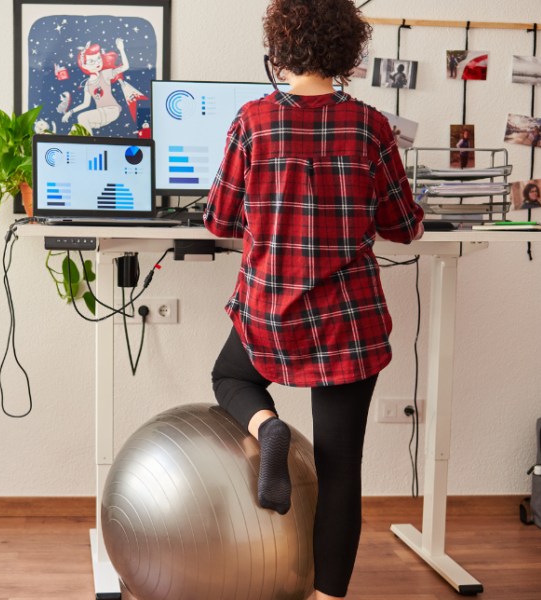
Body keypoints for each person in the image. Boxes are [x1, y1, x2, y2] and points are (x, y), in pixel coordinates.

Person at [203, 0, 424, 598]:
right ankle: (327, 597)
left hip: (269, 316)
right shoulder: (372, 127)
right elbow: (404, 226)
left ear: (280, 49)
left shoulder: (252, 122)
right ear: (348, 51)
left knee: (230, 377)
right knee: (340, 470)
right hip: (348, 324)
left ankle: (265, 424)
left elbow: (219, 221)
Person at [61, 39, 130, 131]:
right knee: (77, 128)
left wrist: (121, 49)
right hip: (101, 113)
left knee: (82, 117)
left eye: (98, 59)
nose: (97, 63)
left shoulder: (105, 74)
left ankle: (88, 144)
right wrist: (70, 112)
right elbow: (85, 104)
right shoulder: (87, 84)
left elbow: (125, 67)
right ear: (84, 65)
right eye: (91, 61)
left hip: (111, 110)